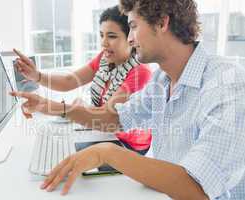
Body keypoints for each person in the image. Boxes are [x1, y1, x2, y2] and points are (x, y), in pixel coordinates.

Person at [11, 0, 245, 199]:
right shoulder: (162, 80)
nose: (131, 38)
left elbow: (198, 188)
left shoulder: (228, 82)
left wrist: (107, 153)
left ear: (162, 22)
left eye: (133, 26)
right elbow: (114, 118)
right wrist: (49, 106)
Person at [13, 5, 152, 155]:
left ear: (130, 38)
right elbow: (69, 81)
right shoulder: (104, 59)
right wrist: (37, 76)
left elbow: (109, 117)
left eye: (111, 36)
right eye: (101, 35)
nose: (104, 43)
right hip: (104, 134)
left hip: (127, 146)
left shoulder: (140, 73)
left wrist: (51, 106)